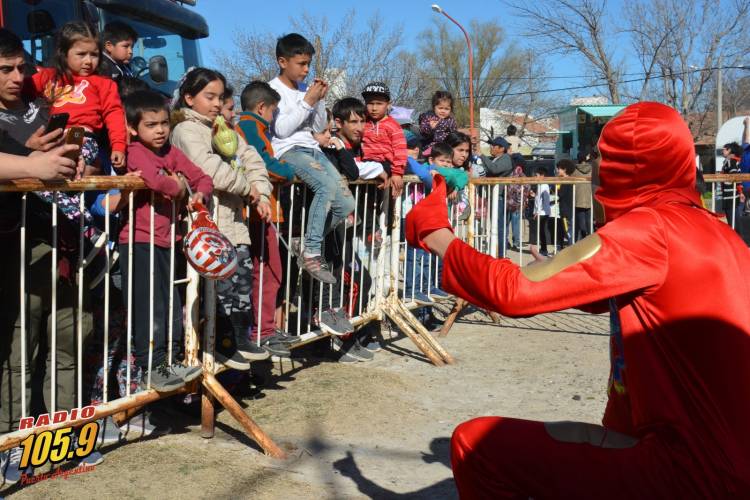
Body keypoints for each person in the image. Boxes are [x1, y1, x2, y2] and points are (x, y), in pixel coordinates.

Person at [405, 101, 750, 498]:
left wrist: (435, 233)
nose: (596, 169)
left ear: (628, 165)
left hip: (693, 470)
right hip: (723, 457)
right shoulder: (716, 230)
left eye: (603, 156)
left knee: (476, 447)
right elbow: (605, 294)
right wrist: (559, 269)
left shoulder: (651, 229)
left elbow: (515, 291)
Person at [171, 67, 274, 370]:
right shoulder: (186, 131)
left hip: (235, 221)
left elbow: (252, 158)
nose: (217, 104)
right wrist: (248, 188)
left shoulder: (223, 128)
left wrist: (262, 193)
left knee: (241, 281)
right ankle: (217, 344)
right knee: (218, 290)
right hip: (208, 225)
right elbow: (209, 169)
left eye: (220, 97)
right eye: (209, 97)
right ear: (189, 98)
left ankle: (239, 339)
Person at [119, 89, 211, 391]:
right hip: (139, 240)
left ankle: (170, 361)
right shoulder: (134, 151)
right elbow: (157, 182)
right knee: (149, 307)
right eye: (151, 125)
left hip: (169, 239)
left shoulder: (170, 151)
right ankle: (151, 366)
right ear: (133, 128)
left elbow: (202, 177)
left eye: (163, 123)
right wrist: (182, 187)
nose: (160, 130)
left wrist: (199, 192)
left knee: (170, 304)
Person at [269, 33, 355, 284]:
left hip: (312, 149)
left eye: (309, 64)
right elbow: (282, 130)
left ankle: (306, 244)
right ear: (283, 61)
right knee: (326, 187)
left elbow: (318, 127)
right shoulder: (273, 90)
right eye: (301, 64)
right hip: (289, 150)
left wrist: (319, 101)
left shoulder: (307, 90)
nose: (306, 70)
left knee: (346, 204)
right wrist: (307, 101)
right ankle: (313, 253)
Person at [235, 81, 297, 356]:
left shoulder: (253, 127)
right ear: (262, 108)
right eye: (273, 112)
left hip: (264, 208)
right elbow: (263, 163)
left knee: (269, 271)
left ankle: (265, 329)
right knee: (268, 272)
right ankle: (263, 331)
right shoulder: (250, 127)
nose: (273, 119)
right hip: (259, 208)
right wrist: (289, 171)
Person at [361, 81, 406, 198]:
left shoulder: (393, 126)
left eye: (379, 103)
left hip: (386, 165)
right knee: (364, 200)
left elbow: (400, 151)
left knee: (388, 202)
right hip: (365, 164)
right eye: (370, 103)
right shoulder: (362, 122)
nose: (374, 108)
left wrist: (397, 173)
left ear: (388, 104)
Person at [418, 90, 457, 155]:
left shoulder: (451, 121)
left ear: (451, 109)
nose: (443, 111)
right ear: (434, 107)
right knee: (428, 154)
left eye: (446, 109)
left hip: (446, 146)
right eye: (440, 108)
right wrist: (430, 128)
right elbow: (422, 131)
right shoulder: (429, 117)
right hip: (431, 145)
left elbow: (454, 133)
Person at [529, 166, 551, 257]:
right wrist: (534, 195)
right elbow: (539, 199)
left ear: (542, 175)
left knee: (540, 231)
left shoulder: (544, 185)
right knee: (541, 231)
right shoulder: (540, 184)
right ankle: (543, 249)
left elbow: (545, 200)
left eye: (537, 175)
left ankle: (543, 249)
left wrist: (538, 211)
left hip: (542, 212)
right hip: (540, 211)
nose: (535, 177)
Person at [572, 151, 594, 241]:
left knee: (580, 222)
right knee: (589, 221)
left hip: (578, 199)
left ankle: (583, 239)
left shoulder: (575, 170)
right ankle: (590, 239)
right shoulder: (592, 169)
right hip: (589, 198)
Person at [555, 158, 576, 249]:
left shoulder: (565, 181)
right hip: (569, 209)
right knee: (569, 230)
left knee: (568, 231)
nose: (557, 170)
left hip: (565, 210)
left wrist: (557, 187)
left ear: (565, 170)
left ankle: (572, 250)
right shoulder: (571, 180)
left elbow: (560, 194)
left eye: (559, 168)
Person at [721, 142, 742, 225]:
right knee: (733, 219)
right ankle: (737, 236)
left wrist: (740, 191)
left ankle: (737, 236)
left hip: (730, 195)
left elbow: (734, 176)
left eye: (723, 150)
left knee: (733, 221)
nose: (722, 152)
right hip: (731, 194)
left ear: (729, 150)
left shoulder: (731, 162)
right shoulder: (732, 161)